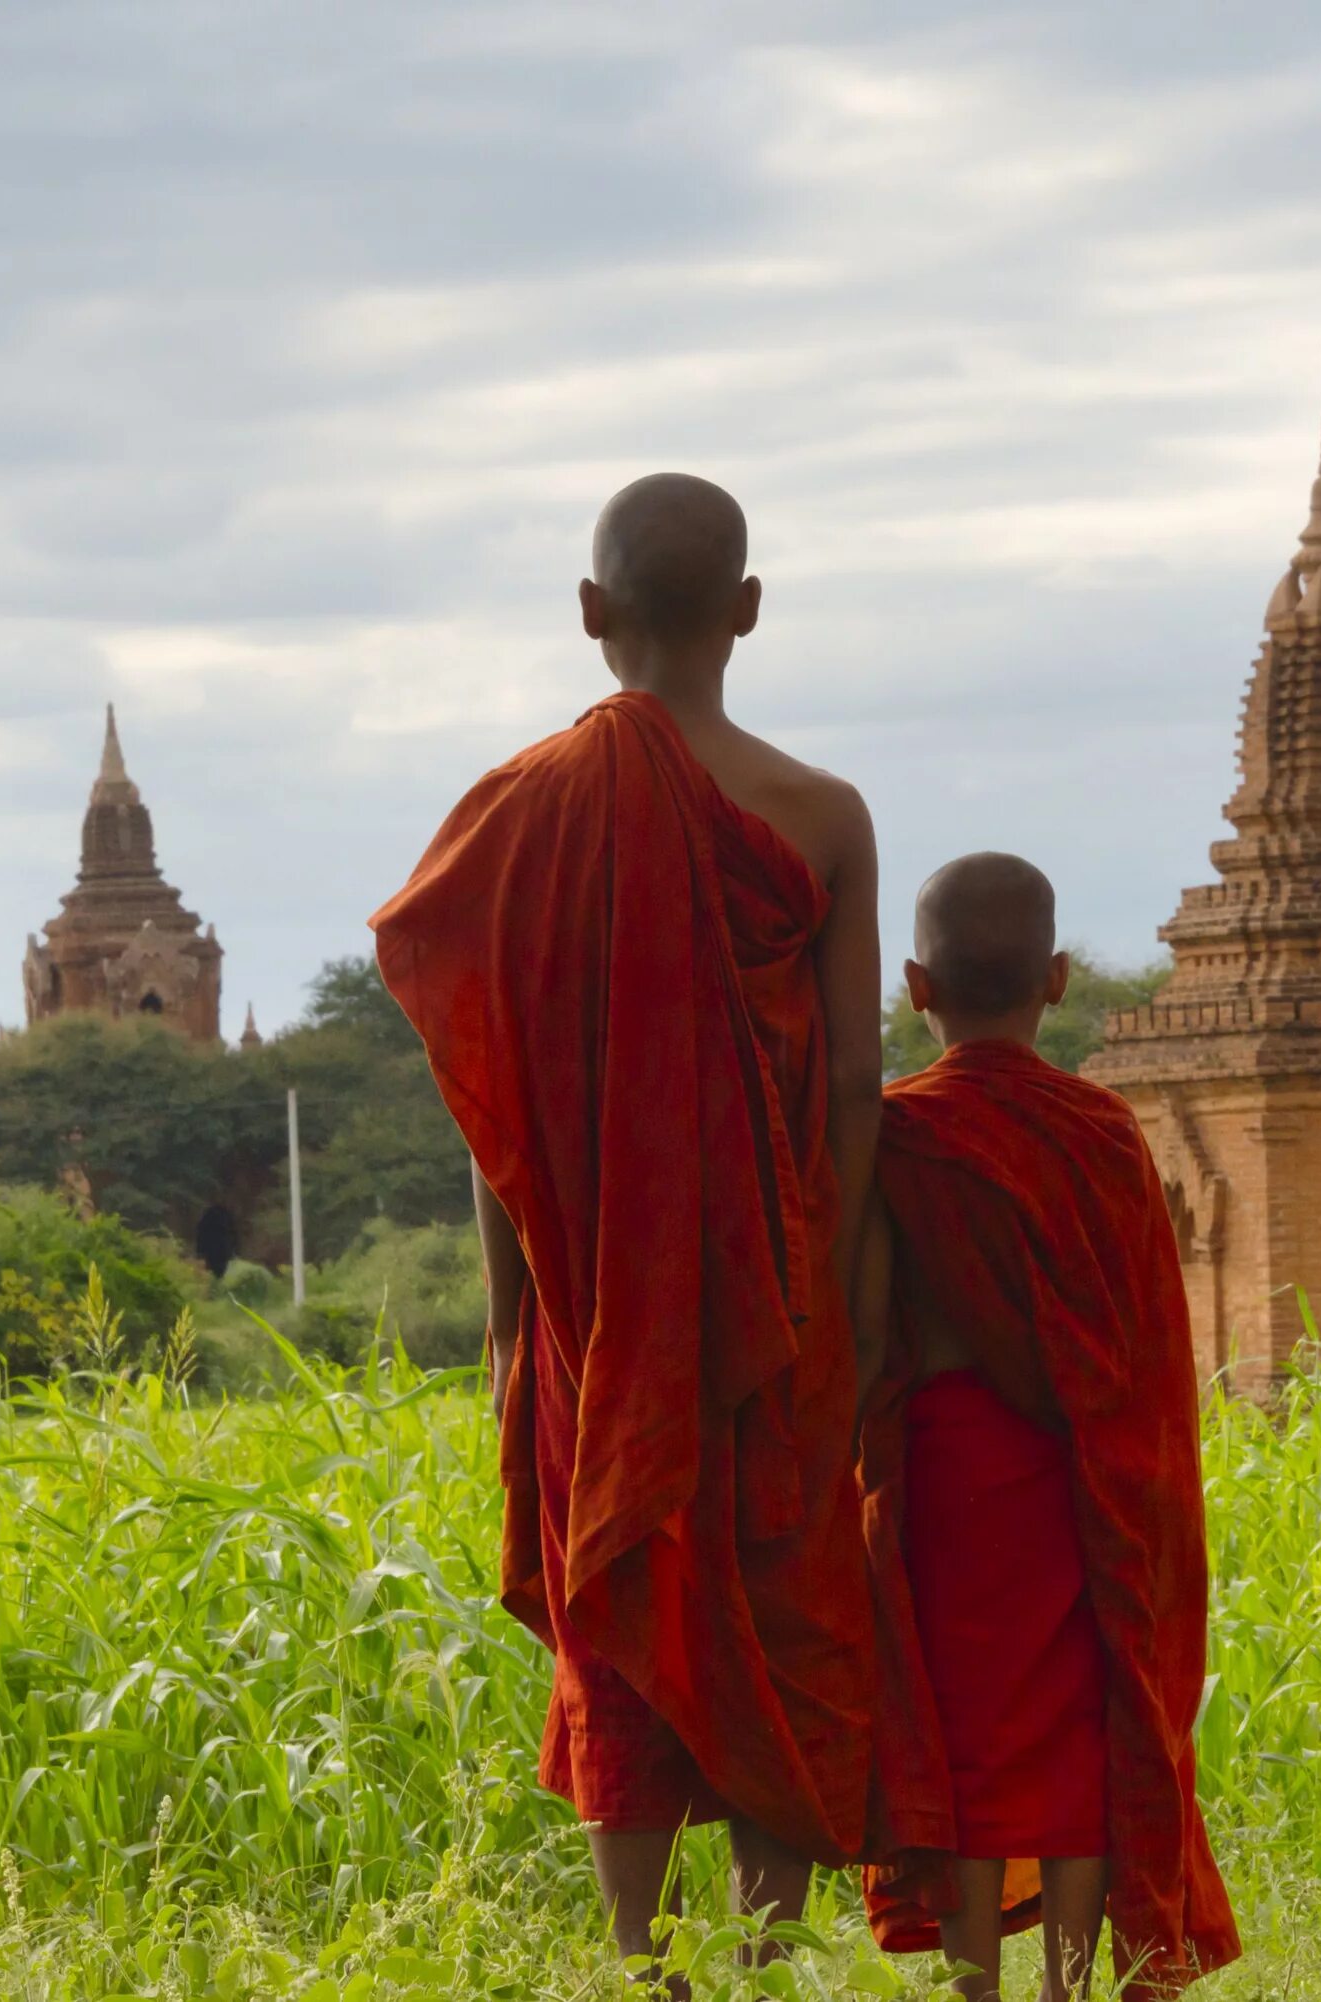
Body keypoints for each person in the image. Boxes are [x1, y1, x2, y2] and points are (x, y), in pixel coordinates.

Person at [371, 473, 885, 1963]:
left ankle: (642, 1964)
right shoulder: (824, 814)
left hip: (594, 1303)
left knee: (622, 1609)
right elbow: (857, 1078)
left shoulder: (522, 811)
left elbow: (497, 1102)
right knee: (779, 1609)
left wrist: (512, 1311)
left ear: (591, 616)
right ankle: (764, 1965)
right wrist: (833, 1282)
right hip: (775, 1294)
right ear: (748, 610)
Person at [856, 853, 1238, 2000]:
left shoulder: (894, 1134)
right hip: (1085, 1482)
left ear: (915, 986)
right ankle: (1070, 1986)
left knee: (970, 1735)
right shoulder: (1104, 1131)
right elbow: (1146, 1351)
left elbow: (867, 1333)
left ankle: (978, 1989)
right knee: (1082, 1726)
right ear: (1061, 978)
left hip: (945, 1483)